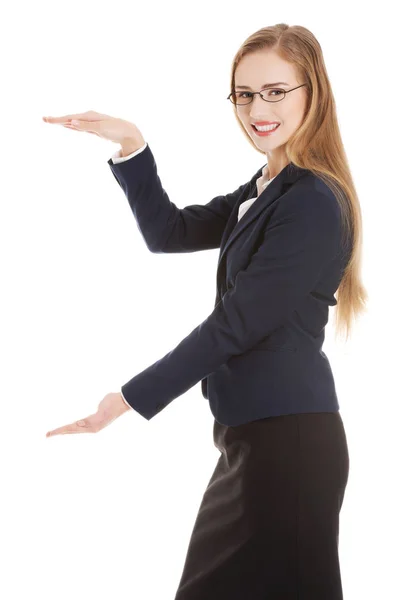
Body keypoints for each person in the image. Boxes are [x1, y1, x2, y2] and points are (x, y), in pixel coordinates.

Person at [44, 22, 367, 600]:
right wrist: (133, 145)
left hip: (288, 443)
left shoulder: (314, 201)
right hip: (251, 438)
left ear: (311, 92)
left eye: (275, 92)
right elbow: (168, 232)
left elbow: (236, 324)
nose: (256, 109)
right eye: (244, 94)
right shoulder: (266, 187)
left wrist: (127, 399)